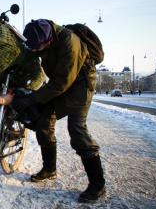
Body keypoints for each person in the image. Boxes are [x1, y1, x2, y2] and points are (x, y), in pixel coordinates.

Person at [6, 19, 106, 203]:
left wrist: (32, 98)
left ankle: (98, 184)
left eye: (38, 48)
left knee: (77, 129)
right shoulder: (40, 40)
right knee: (44, 120)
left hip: (81, 85)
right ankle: (49, 169)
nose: (36, 51)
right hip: (60, 85)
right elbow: (30, 58)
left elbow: (61, 82)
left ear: (49, 40)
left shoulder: (71, 42)